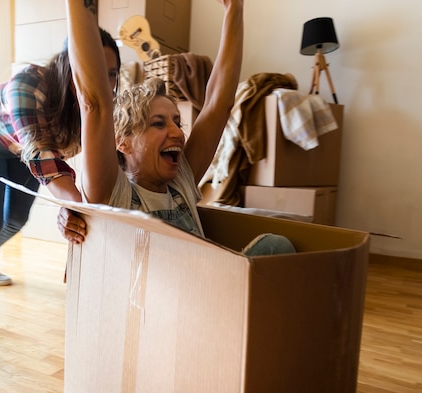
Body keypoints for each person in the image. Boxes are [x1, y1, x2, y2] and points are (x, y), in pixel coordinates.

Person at [63, 0, 295, 256]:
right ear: (123, 141)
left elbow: (219, 104)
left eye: (177, 121)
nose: (177, 133)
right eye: (158, 123)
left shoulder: (181, 180)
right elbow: (95, 104)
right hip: (157, 294)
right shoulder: (111, 192)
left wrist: (234, 9)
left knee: (277, 244)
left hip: (202, 288)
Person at [0, 28, 121, 285]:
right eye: (91, 69)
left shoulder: (102, 110)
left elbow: (112, 160)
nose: (101, 82)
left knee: (16, 219)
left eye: (111, 74)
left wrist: (77, 208)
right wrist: (77, 209)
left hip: (23, 152)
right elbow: (42, 157)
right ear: (66, 65)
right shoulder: (29, 84)